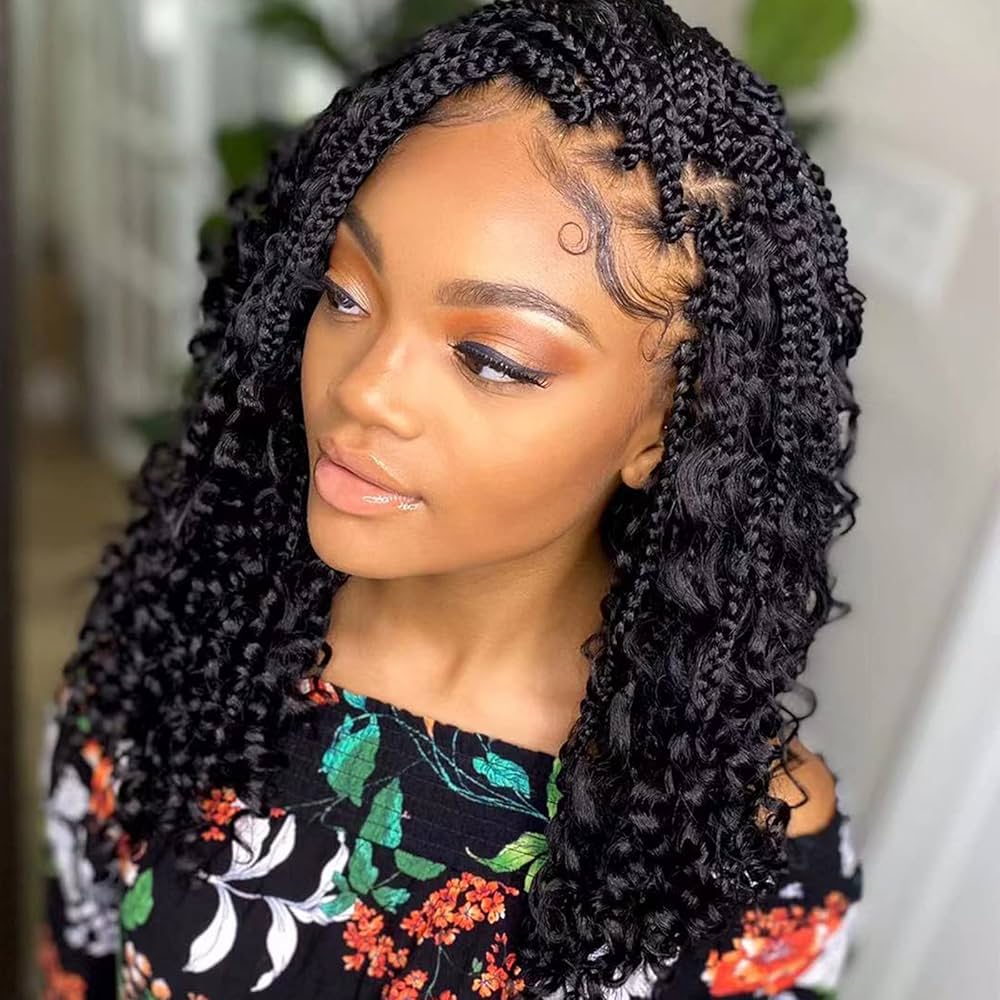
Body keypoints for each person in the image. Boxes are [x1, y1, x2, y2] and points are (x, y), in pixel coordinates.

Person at [35, 1, 867, 997]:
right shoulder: (177, 646)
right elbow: (78, 960)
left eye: (489, 358)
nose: (363, 388)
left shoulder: (741, 837)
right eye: (345, 293)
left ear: (670, 430)